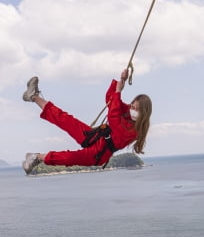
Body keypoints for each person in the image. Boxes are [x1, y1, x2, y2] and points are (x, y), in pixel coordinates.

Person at [21, 69, 152, 174]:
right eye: (132, 106)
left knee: (69, 157)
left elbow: (113, 118)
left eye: (136, 109)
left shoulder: (134, 131)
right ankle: (33, 96)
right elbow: (110, 101)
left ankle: (36, 158)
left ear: (143, 114)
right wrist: (120, 82)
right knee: (66, 119)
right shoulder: (128, 112)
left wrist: (118, 92)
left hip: (98, 154)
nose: (132, 109)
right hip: (95, 136)